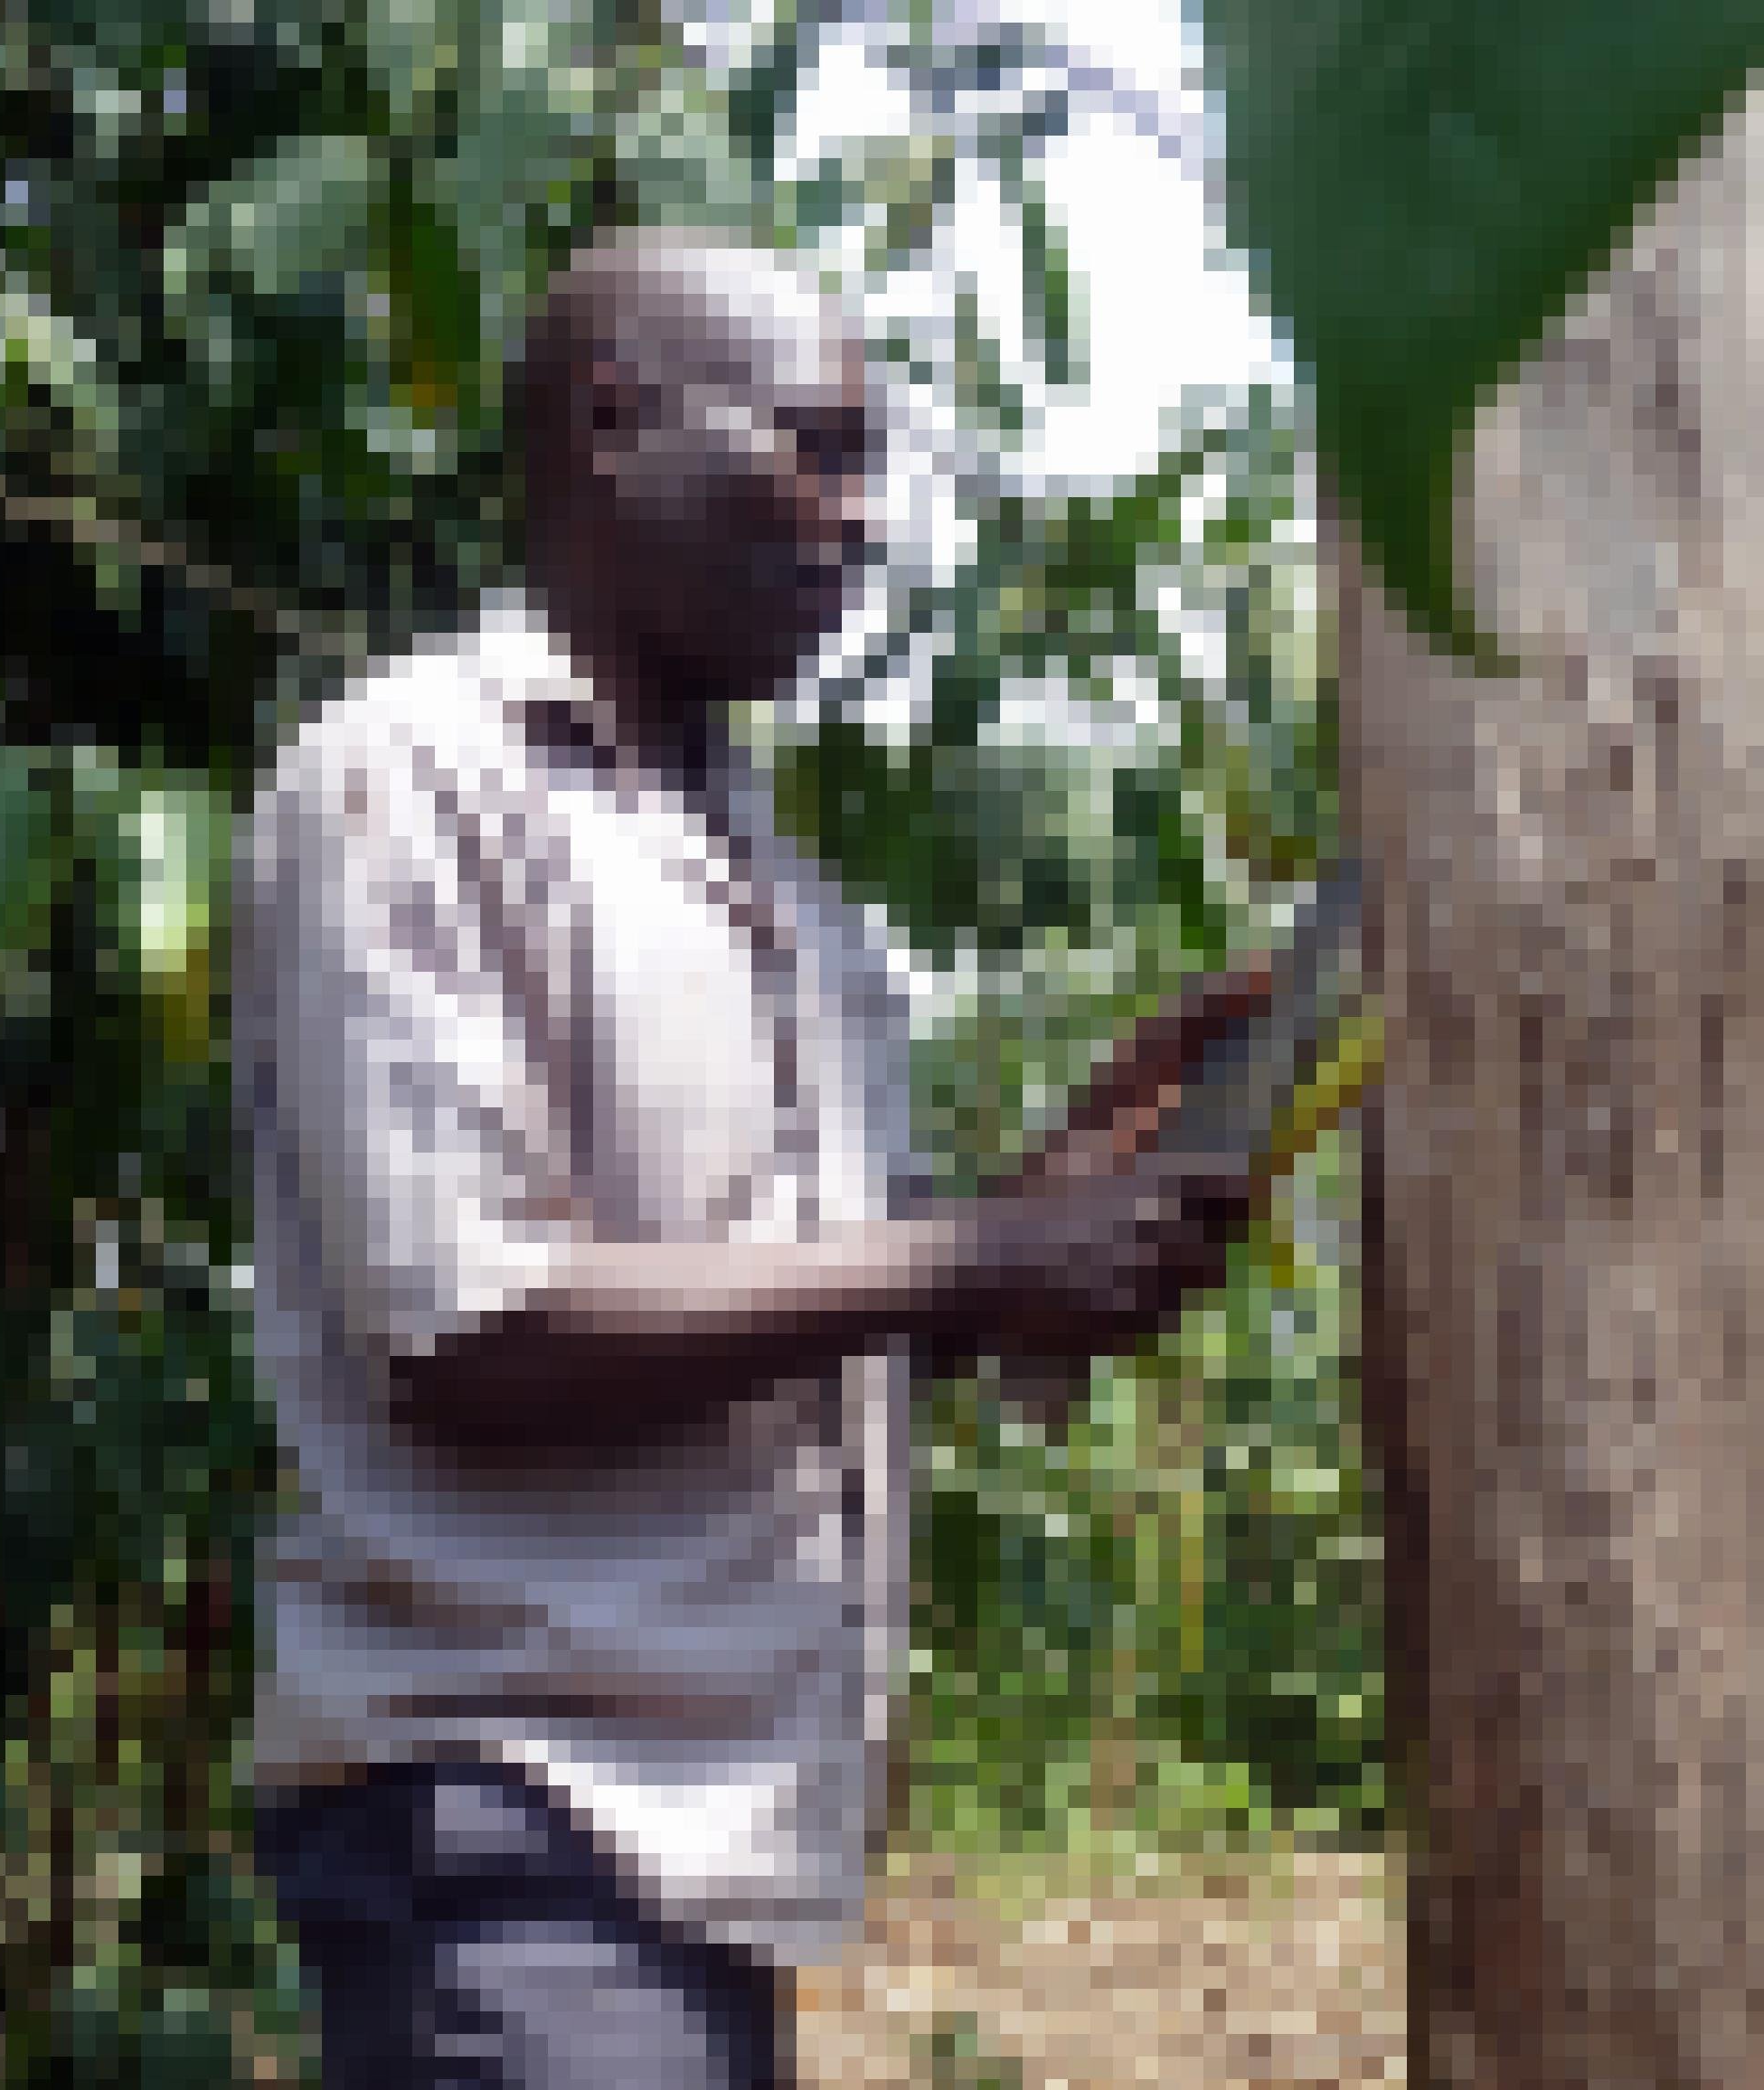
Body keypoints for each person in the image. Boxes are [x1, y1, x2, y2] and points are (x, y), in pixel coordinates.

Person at [233, 228, 1266, 2090]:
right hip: (517, 1825)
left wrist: (1046, 1209)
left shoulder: (759, 869)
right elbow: (473, 1333)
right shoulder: (411, 780)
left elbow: (786, 1311)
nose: (861, 522)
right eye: (820, 449)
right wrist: (971, 1261)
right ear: (614, 424)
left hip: (698, 1848)